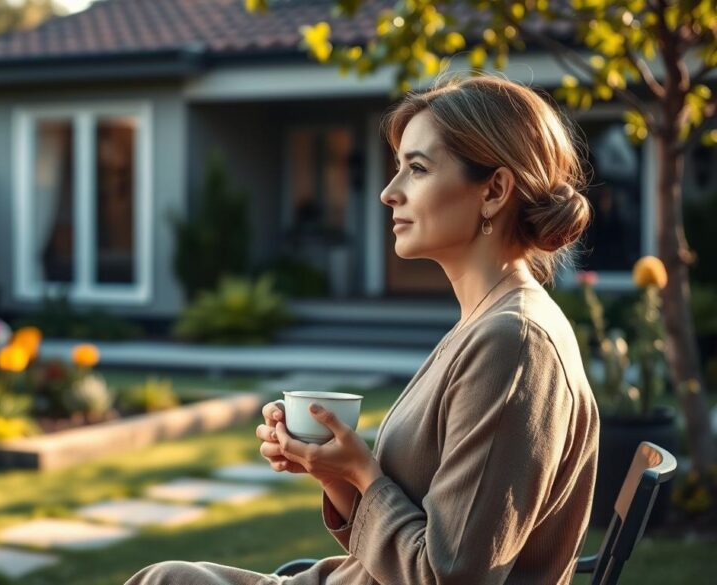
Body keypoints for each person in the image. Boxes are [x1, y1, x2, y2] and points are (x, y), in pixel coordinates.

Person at [125, 74, 600, 585]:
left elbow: (449, 577)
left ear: (495, 191)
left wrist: (361, 472)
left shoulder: (515, 344)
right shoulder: (486, 323)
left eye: (416, 169)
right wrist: (335, 473)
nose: (388, 192)